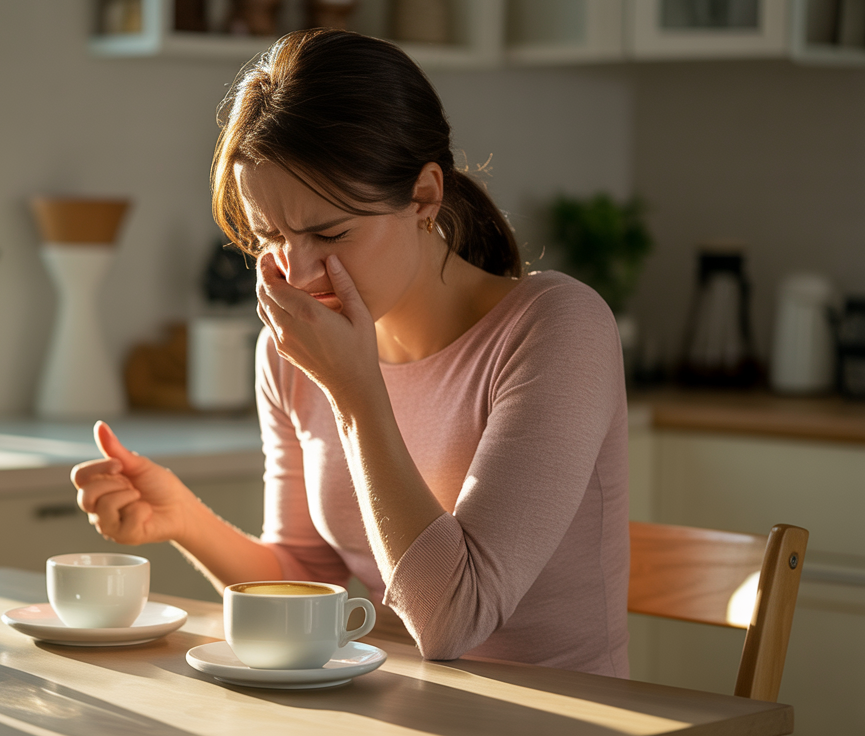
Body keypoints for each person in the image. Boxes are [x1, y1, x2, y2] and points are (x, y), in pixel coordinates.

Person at [71, 28, 629, 677]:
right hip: (390, 711)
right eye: (270, 236)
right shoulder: (291, 354)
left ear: (424, 196)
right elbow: (305, 576)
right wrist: (183, 519)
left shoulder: (555, 327)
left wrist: (356, 394)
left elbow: (453, 619)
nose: (300, 271)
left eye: (330, 232)